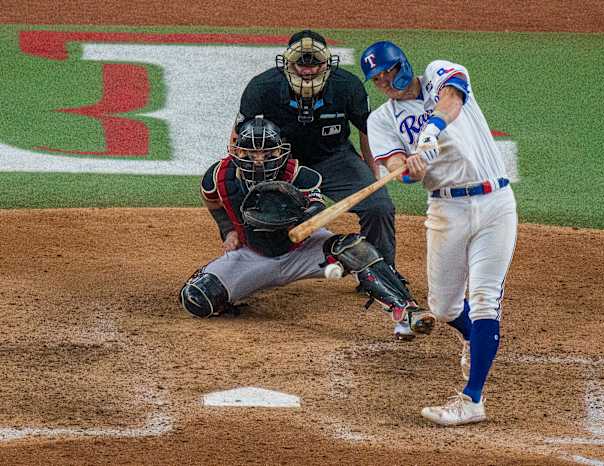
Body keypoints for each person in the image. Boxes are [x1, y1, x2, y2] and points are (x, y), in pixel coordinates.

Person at [360, 41, 518, 426]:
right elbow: (401, 167)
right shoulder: (381, 120)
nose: (386, 81)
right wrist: (410, 165)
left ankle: (472, 398)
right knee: (445, 307)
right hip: (447, 208)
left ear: (404, 64)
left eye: (390, 71)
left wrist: (430, 131)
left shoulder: (437, 73)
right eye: (377, 79)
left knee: (483, 298)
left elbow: (451, 101)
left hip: (495, 200)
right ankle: (470, 337)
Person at [179, 116, 434, 340]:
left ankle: (406, 309)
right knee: (196, 298)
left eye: (268, 154)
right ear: (237, 153)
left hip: (302, 249)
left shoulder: (299, 174)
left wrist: (305, 214)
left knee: (354, 247)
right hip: (252, 255)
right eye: (250, 154)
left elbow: (317, 204)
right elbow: (210, 199)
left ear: (281, 152)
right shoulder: (219, 176)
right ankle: (235, 291)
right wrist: (228, 230)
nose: (259, 161)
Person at [231, 30, 413, 339]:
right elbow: (239, 135)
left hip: (334, 159)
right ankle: (250, 262)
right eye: (301, 62)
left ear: (326, 63)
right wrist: (244, 174)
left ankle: (383, 273)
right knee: (257, 208)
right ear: (287, 63)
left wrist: (372, 177)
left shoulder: (347, 86)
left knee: (379, 206)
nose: (307, 68)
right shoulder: (262, 87)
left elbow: (367, 133)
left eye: (314, 63)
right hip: (281, 164)